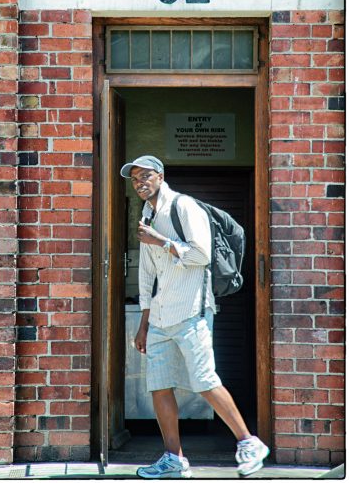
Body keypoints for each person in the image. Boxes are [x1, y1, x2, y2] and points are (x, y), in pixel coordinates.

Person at [120, 155, 269, 479]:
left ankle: (249, 442)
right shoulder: (147, 213)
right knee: (159, 387)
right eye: (134, 180)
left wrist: (161, 240)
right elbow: (147, 274)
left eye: (145, 176)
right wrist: (144, 324)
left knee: (204, 381)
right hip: (160, 317)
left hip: (192, 313)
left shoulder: (185, 207)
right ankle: (174, 459)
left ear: (160, 176)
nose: (140, 183)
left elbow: (201, 255)